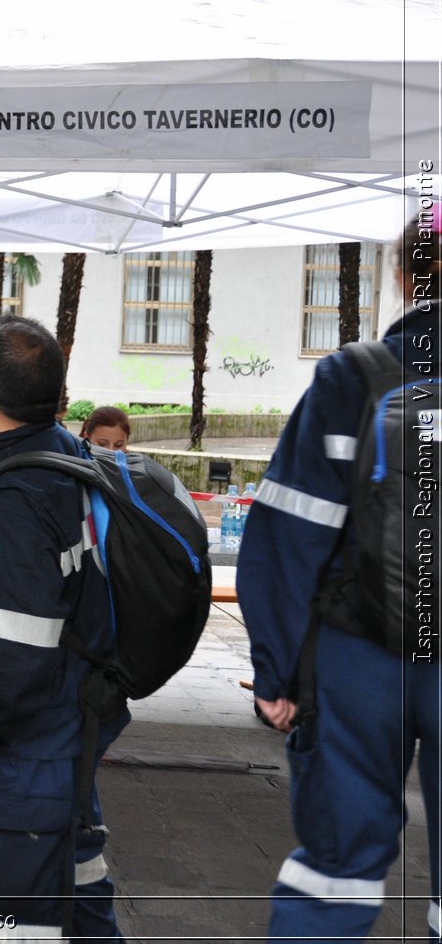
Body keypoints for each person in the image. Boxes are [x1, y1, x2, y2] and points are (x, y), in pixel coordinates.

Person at [237, 216, 439, 940]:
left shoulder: (351, 378)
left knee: (334, 870)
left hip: (358, 659)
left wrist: (275, 672)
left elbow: (289, 535)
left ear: (404, 277)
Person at [0, 315, 126, 942]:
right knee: (78, 882)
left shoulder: (16, 494)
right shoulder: (62, 454)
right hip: (71, 721)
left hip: (28, 742)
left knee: (9, 924)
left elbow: (21, 637)